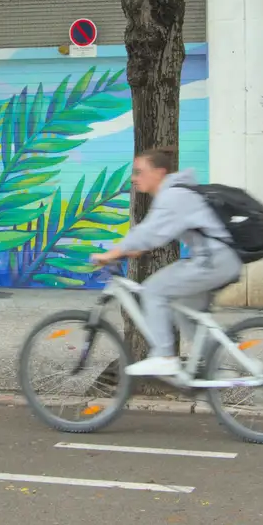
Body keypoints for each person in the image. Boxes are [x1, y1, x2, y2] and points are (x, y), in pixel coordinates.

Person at [92, 147, 242, 379]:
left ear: (159, 172)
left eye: (139, 172)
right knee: (187, 313)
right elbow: (160, 232)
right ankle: (217, 369)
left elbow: (149, 232)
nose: (134, 178)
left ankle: (164, 357)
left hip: (213, 261)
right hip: (218, 260)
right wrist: (135, 249)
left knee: (153, 290)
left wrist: (112, 253)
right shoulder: (176, 194)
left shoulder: (173, 196)